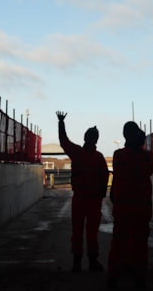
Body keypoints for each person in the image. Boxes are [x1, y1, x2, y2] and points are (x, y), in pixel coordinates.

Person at [56, 111, 110, 272]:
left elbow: (63, 141)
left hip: (87, 199)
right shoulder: (95, 156)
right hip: (87, 199)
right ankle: (85, 262)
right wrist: (61, 124)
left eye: (92, 136)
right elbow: (104, 176)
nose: (91, 138)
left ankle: (79, 262)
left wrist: (61, 124)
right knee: (83, 231)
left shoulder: (79, 153)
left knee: (83, 231)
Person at [107, 121, 153, 289]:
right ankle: (137, 274)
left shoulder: (119, 155)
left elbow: (127, 172)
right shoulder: (146, 156)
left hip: (125, 208)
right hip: (138, 208)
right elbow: (143, 170)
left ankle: (116, 274)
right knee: (137, 243)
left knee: (120, 242)